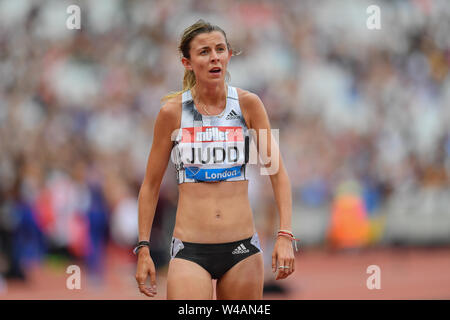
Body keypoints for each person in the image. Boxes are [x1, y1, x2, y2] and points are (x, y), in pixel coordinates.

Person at [134, 19, 296, 300]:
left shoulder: (249, 105)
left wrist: (285, 234)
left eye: (220, 49)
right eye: (204, 51)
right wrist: (144, 247)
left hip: (242, 250)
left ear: (229, 55)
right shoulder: (171, 113)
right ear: (187, 62)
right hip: (190, 250)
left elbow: (278, 174)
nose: (214, 57)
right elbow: (150, 186)